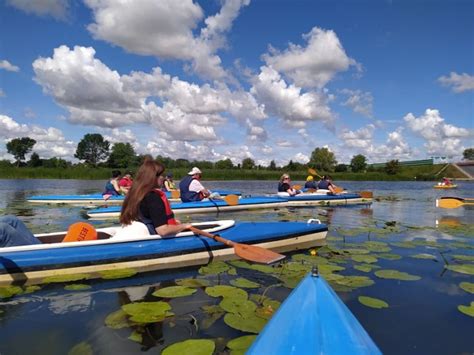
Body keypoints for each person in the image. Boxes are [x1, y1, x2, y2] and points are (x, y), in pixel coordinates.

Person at [119, 158, 192, 236]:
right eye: (161, 175)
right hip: (149, 237)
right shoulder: (153, 197)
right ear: (153, 177)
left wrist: (174, 224)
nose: (163, 178)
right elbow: (163, 231)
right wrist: (184, 226)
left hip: (136, 234)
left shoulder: (134, 194)